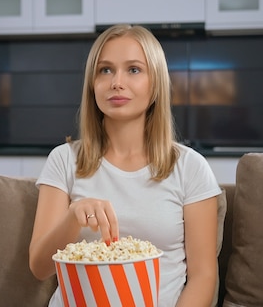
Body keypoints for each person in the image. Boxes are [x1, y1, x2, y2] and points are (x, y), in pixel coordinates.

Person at [28, 24, 221, 307]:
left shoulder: (190, 168)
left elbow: (203, 276)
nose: (117, 82)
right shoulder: (64, 160)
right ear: (92, 84)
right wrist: (72, 217)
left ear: (155, 83)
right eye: (105, 70)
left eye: (133, 70)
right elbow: (39, 267)